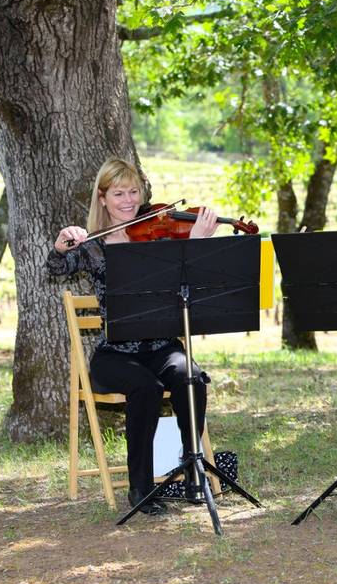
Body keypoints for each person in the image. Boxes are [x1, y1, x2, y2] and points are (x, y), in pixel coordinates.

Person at [48, 157, 219, 515]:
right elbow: (57, 267)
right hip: (115, 353)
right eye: (119, 193)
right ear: (103, 197)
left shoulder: (158, 235)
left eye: (134, 192)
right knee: (146, 387)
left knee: (191, 376)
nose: (128, 200)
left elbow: (188, 282)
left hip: (162, 345)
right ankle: (141, 487)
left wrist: (196, 244)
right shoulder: (92, 246)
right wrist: (63, 243)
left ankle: (192, 470)